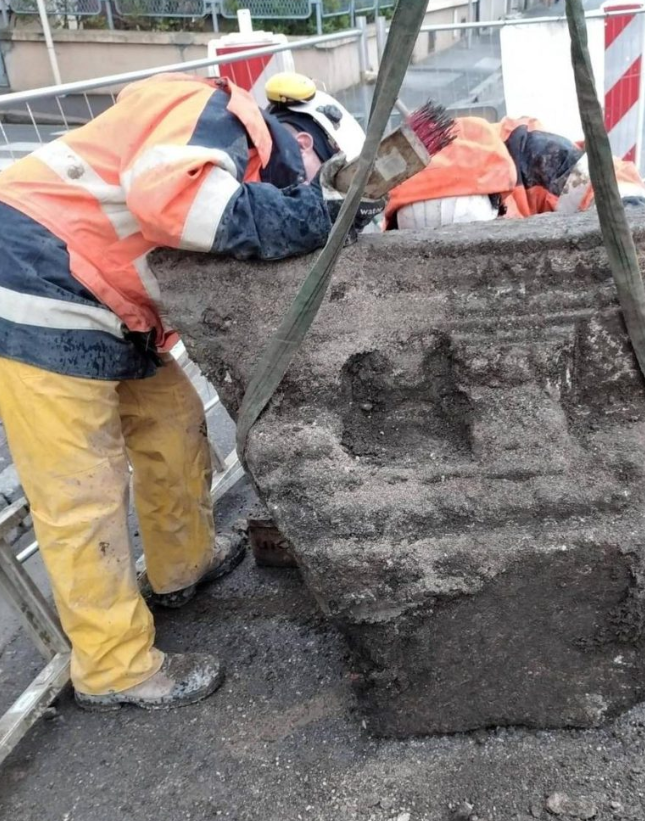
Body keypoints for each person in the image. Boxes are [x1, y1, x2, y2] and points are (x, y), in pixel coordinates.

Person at [0, 71, 378, 711]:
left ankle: (182, 565)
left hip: (104, 304)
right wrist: (319, 213)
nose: (307, 185)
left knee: (173, 420)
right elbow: (184, 206)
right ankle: (113, 666)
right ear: (303, 142)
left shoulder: (227, 150)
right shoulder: (213, 111)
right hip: (33, 288)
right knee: (81, 492)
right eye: (322, 173)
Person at [385, 115, 645, 230]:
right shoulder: (395, 207)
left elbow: (617, 185)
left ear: (498, 204)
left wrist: (629, 229)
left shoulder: (536, 158)